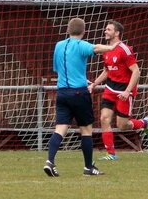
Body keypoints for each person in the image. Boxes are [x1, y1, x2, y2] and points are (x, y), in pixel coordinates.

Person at [43, 17, 119, 177]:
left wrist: (81, 78)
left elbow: (60, 69)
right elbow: (96, 48)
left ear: (68, 30)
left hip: (62, 93)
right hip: (78, 93)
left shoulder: (59, 46)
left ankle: (49, 161)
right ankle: (88, 167)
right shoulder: (81, 45)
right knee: (86, 130)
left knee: (60, 128)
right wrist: (112, 47)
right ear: (84, 31)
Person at [88, 20, 148, 161]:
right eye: (106, 29)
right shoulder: (106, 50)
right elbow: (107, 71)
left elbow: (136, 71)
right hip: (110, 89)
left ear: (117, 33)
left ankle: (144, 123)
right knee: (104, 119)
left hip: (124, 90)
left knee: (122, 125)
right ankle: (111, 154)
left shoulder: (125, 49)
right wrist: (94, 83)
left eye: (109, 29)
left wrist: (127, 91)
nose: (105, 31)